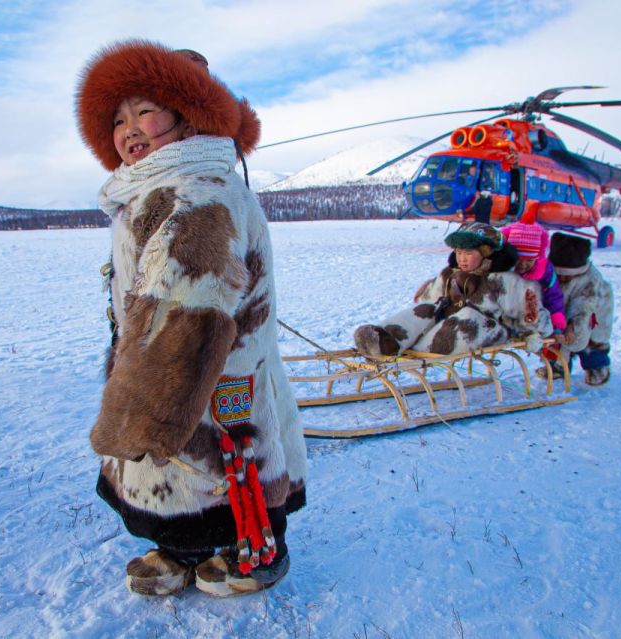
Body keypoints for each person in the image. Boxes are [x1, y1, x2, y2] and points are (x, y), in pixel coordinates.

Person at [75, 40, 307, 597]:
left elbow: (184, 312)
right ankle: (183, 546)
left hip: (211, 368)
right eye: (117, 119)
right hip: (173, 360)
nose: (129, 129)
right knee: (183, 467)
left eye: (145, 111)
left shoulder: (196, 191)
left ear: (187, 119)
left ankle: (257, 552)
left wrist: (140, 411)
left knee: (224, 456)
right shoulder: (158, 187)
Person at [353, 222, 552, 358]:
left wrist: (532, 333)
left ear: (485, 253)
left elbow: (528, 312)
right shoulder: (450, 274)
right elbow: (428, 300)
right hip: (448, 324)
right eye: (458, 253)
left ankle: (424, 347)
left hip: (488, 329)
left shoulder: (503, 281)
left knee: (469, 317)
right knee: (427, 309)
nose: (462, 259)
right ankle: (385, 339)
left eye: (468, 253)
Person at [547, 232, 614, 385]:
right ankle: (558, 365)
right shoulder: (550, 275)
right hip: (562, 313)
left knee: (592, 343)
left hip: (593, 316)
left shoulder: (590, 283)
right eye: (559, 274)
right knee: (555, 340)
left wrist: (573, 329)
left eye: (567, 276)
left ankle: (596, 368)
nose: (563, 278)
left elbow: (582, 312)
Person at [500, 221, 567, 336]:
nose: (523, 264)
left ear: (536, 259)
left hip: (533, 314)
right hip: (506, 314)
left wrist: (556, 315)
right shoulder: (502, 268)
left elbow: (553, 295)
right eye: (518, 259)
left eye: (529, 260)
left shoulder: (545, 271)